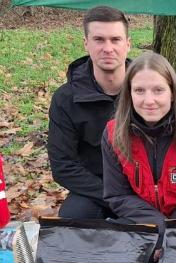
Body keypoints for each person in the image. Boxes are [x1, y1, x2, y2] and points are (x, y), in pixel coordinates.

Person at [101, 52, 176, 235]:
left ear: (172, 93)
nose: (149, 101)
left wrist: (170, 232)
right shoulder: (113, 134)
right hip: (141, 223)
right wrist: (158, 226)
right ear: (129, 94)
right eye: (139, 90)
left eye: (158, 90)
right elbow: (118, 195)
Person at [48, 6, 131, 219]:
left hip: (145, 186)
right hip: (94, 190)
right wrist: (115, 196)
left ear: (128, 44)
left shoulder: (149, 91)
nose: (108, 48)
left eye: (115, 40)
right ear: (86, 43)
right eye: (99, 40)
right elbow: (63, 166)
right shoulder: (66, 99)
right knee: (74, 218)